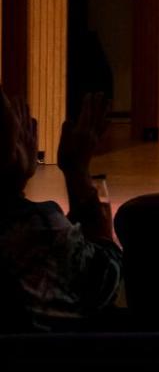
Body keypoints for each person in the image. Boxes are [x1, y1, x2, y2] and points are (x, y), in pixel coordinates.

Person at [0, 92, 117, 330]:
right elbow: (108, 275)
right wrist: (77, 171)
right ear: (12, 152)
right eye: (19, 131)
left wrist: (13, 183)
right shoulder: (38, 229)